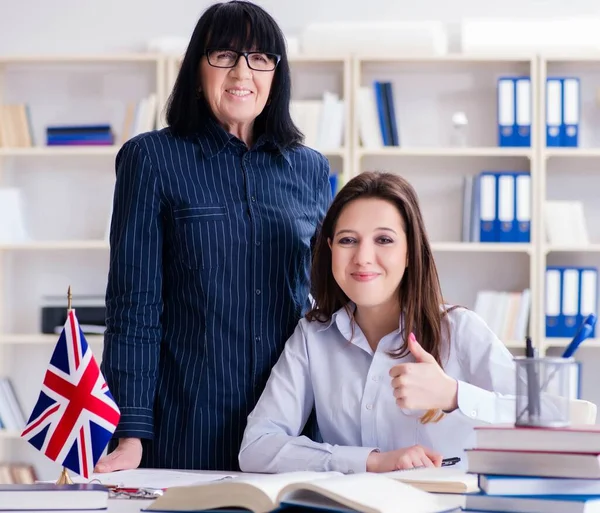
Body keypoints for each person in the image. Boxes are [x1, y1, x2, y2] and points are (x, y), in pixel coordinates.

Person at [95, 0, 331, 472]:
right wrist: (132, 430)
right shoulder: (152, 159)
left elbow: (331, 302)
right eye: (223, 54)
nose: (242, 72)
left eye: (260, 58)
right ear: (196, 68)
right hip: (185, 426)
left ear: (275, 75)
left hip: (290, 431)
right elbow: (134, 306)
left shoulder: (311, 168)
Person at [238, 171, 518, 474]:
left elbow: (544, 423)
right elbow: (257, 447)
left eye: (384, 239)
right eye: (348, 240)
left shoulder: (459, 330)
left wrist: (453, 395)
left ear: (410, 252)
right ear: (330, 248)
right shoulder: (313, 337)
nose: (363, 257)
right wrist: (371, 461)